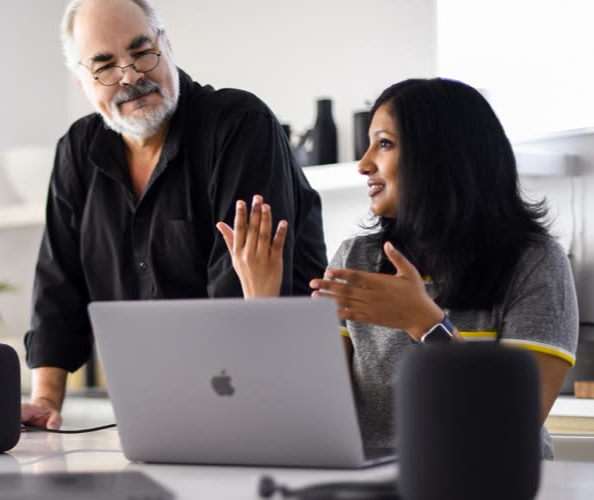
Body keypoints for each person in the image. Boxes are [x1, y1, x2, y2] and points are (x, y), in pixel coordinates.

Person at [217, 78, 578, 459]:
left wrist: (427, 324)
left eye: (384, 143)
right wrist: (261, 303)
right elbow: (305, 415)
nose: (363, 163)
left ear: (442, 154)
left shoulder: (536, 263)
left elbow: (510, 424)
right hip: (369, 483)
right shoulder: (355, 259)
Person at [21, 0, 327, 429]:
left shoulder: (239, 125)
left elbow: (239, 285)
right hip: (157, 414)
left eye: (141, 52)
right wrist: (46, 400)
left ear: (166, 44)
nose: (131, 77)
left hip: (273, 399)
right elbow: (57, 285)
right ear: (82, 81)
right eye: (105, 65)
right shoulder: (77, 151)